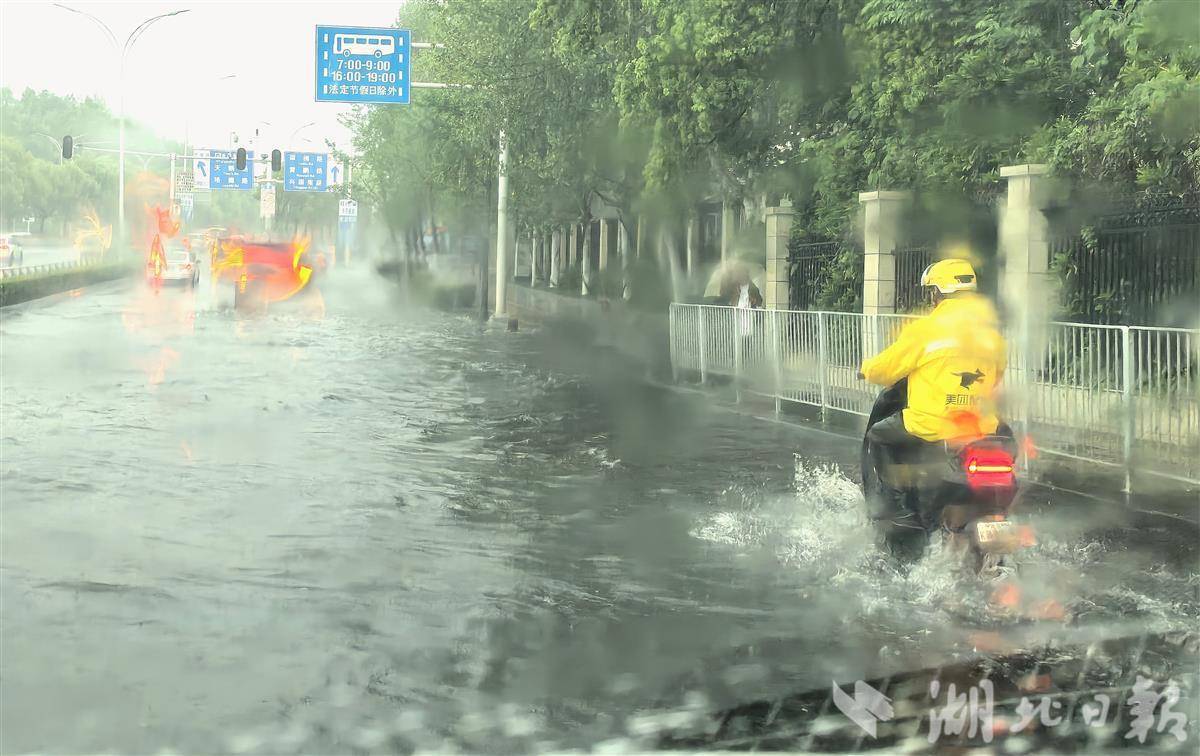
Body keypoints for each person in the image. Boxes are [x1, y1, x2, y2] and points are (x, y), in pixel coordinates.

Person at [858, 258, 1007, 500]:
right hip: (979, 426)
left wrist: (866, 369)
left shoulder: (925, 331)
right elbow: (996, 376)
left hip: (930, 425)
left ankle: (895, 509)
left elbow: (886, 368)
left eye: (932, 292)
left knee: (878, 436)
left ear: (938, 293)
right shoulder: (992, 336)